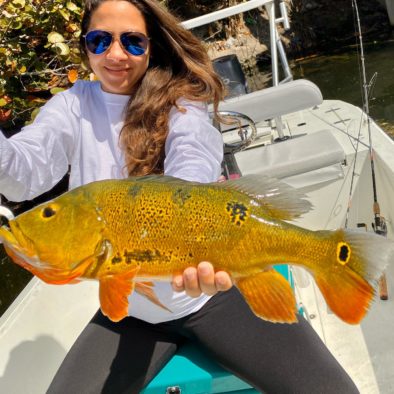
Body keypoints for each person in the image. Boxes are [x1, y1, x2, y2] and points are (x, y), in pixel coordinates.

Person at [0, 0, 359, 393]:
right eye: (100, 40)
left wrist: (187, 233)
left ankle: (326, 255)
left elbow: (194, 158)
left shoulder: (182, 99)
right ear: (85, 46)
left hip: (216, 297)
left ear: (152, 46)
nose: (115, 54)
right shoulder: (70, 107)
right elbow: (21, 176)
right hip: (135, 316)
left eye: (133, 42)